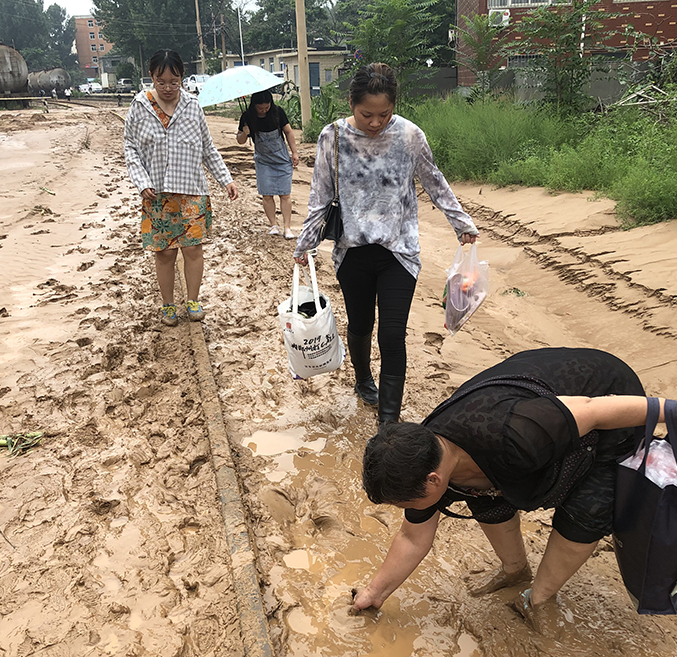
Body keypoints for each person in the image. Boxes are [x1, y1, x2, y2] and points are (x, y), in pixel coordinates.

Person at [353, 348, 677, 626]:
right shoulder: (427, 453)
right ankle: (515, 569)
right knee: (485, 495)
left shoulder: (517, 434)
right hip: (535, 391)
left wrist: (676, 411)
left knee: (587, 510)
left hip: (605, 397)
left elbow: (594, 409)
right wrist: (374, 593)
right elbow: (412, 537)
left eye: (404, 501)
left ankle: (538, 597)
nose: (406, 510)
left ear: (433, 480)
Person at [293, 63, 478, 424]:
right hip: (353, 251)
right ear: (351, 103)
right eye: (366, 114)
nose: (375, 123)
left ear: (394, 106)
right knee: (361, 325)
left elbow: (434, 181)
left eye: (383, 114)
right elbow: (320, 196)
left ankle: (388, 422)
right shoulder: (332, 137)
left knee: (392, 335)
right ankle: (363, 379)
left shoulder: (409, 135)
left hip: (399, 252)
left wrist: (461, 223)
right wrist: (306, 243)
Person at [124, 49, 238, 325]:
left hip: (192, 191)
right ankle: (168, 306)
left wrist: (226, 179)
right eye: (160, 81)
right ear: (151, 77)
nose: (167, 88)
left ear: (182, 79)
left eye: (173, 82)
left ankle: (193, 300)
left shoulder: (192, 106)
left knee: (193, 249)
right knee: (164, 252)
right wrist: (142, 182)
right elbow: (130, 149)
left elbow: (207, 148)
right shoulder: (139, 106)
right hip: (157, 193)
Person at [236, 90, 299, 239]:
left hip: (281, 159)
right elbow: (239, 140)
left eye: (267, 107)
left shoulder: (277, 112)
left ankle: (287, 227)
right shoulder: (247, 117)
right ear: (254, 105)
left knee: (285, 194)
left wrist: (294, 152)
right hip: (263, 161)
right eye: (260, 108)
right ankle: (273, 225)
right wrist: (245, 133)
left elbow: (289, 132)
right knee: (267, 194)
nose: (264, 110)